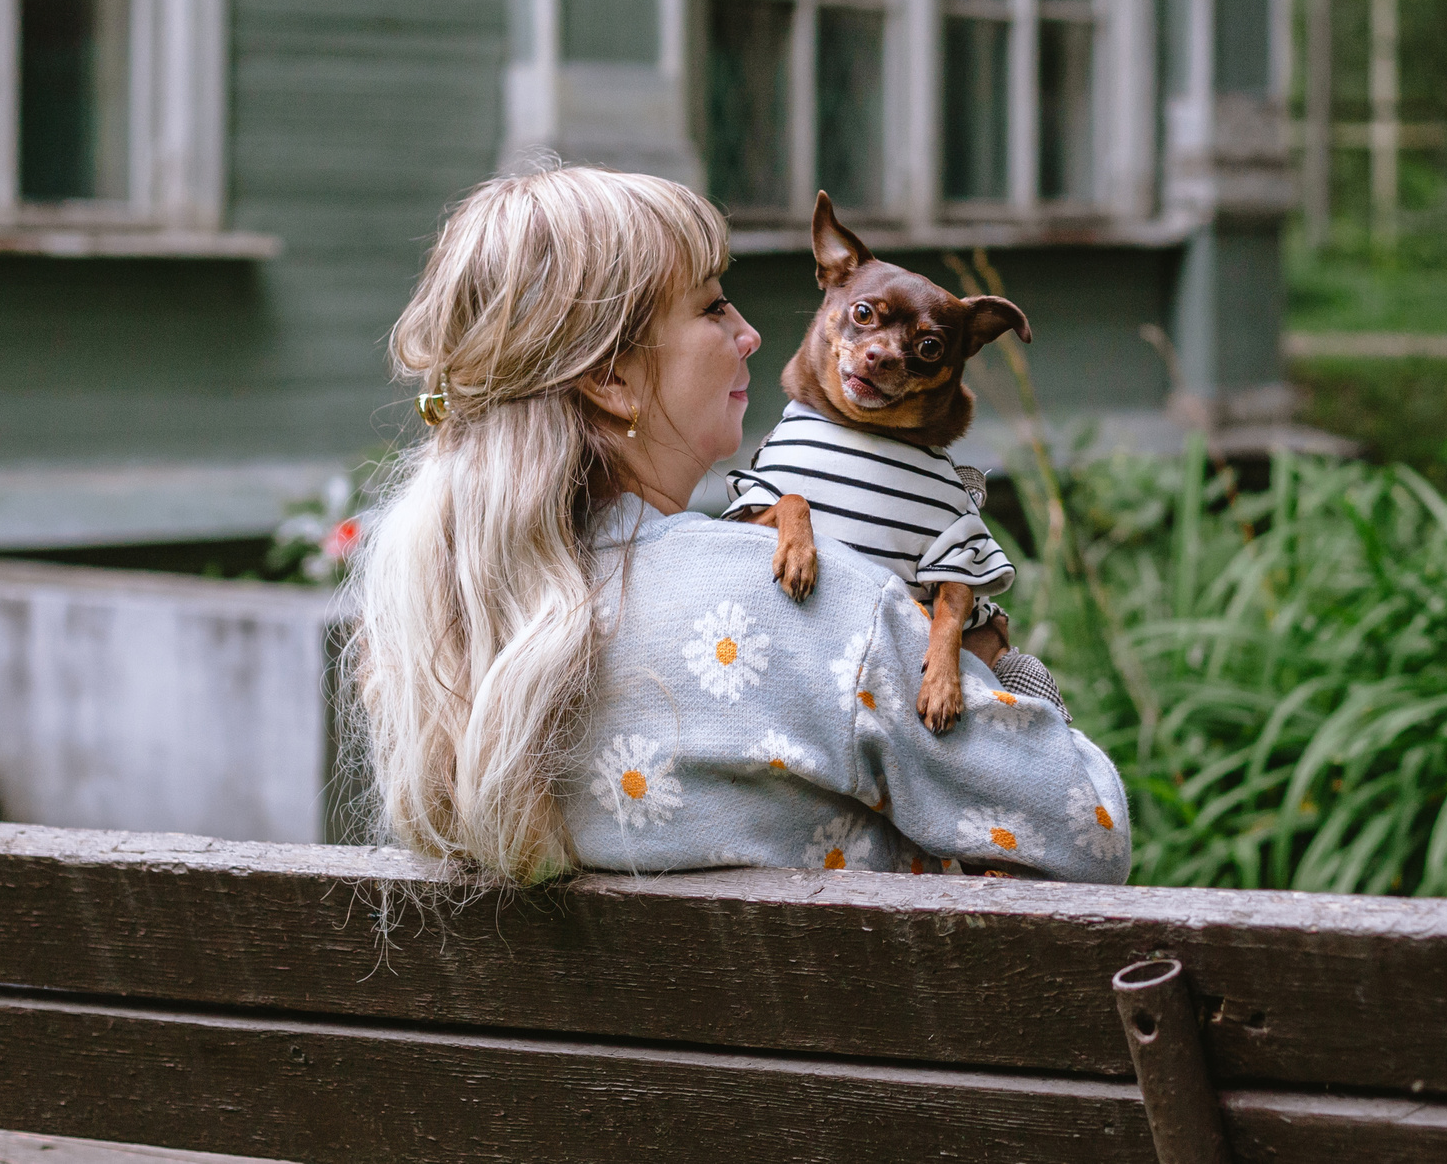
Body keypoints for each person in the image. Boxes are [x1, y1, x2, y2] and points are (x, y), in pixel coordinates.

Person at [347, 165, 1132, 885]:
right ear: (612, 378)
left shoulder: (447, 633)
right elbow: (1088, 833)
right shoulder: (815, 604)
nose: (751, 333)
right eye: (713, 305)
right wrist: (1015, 676)